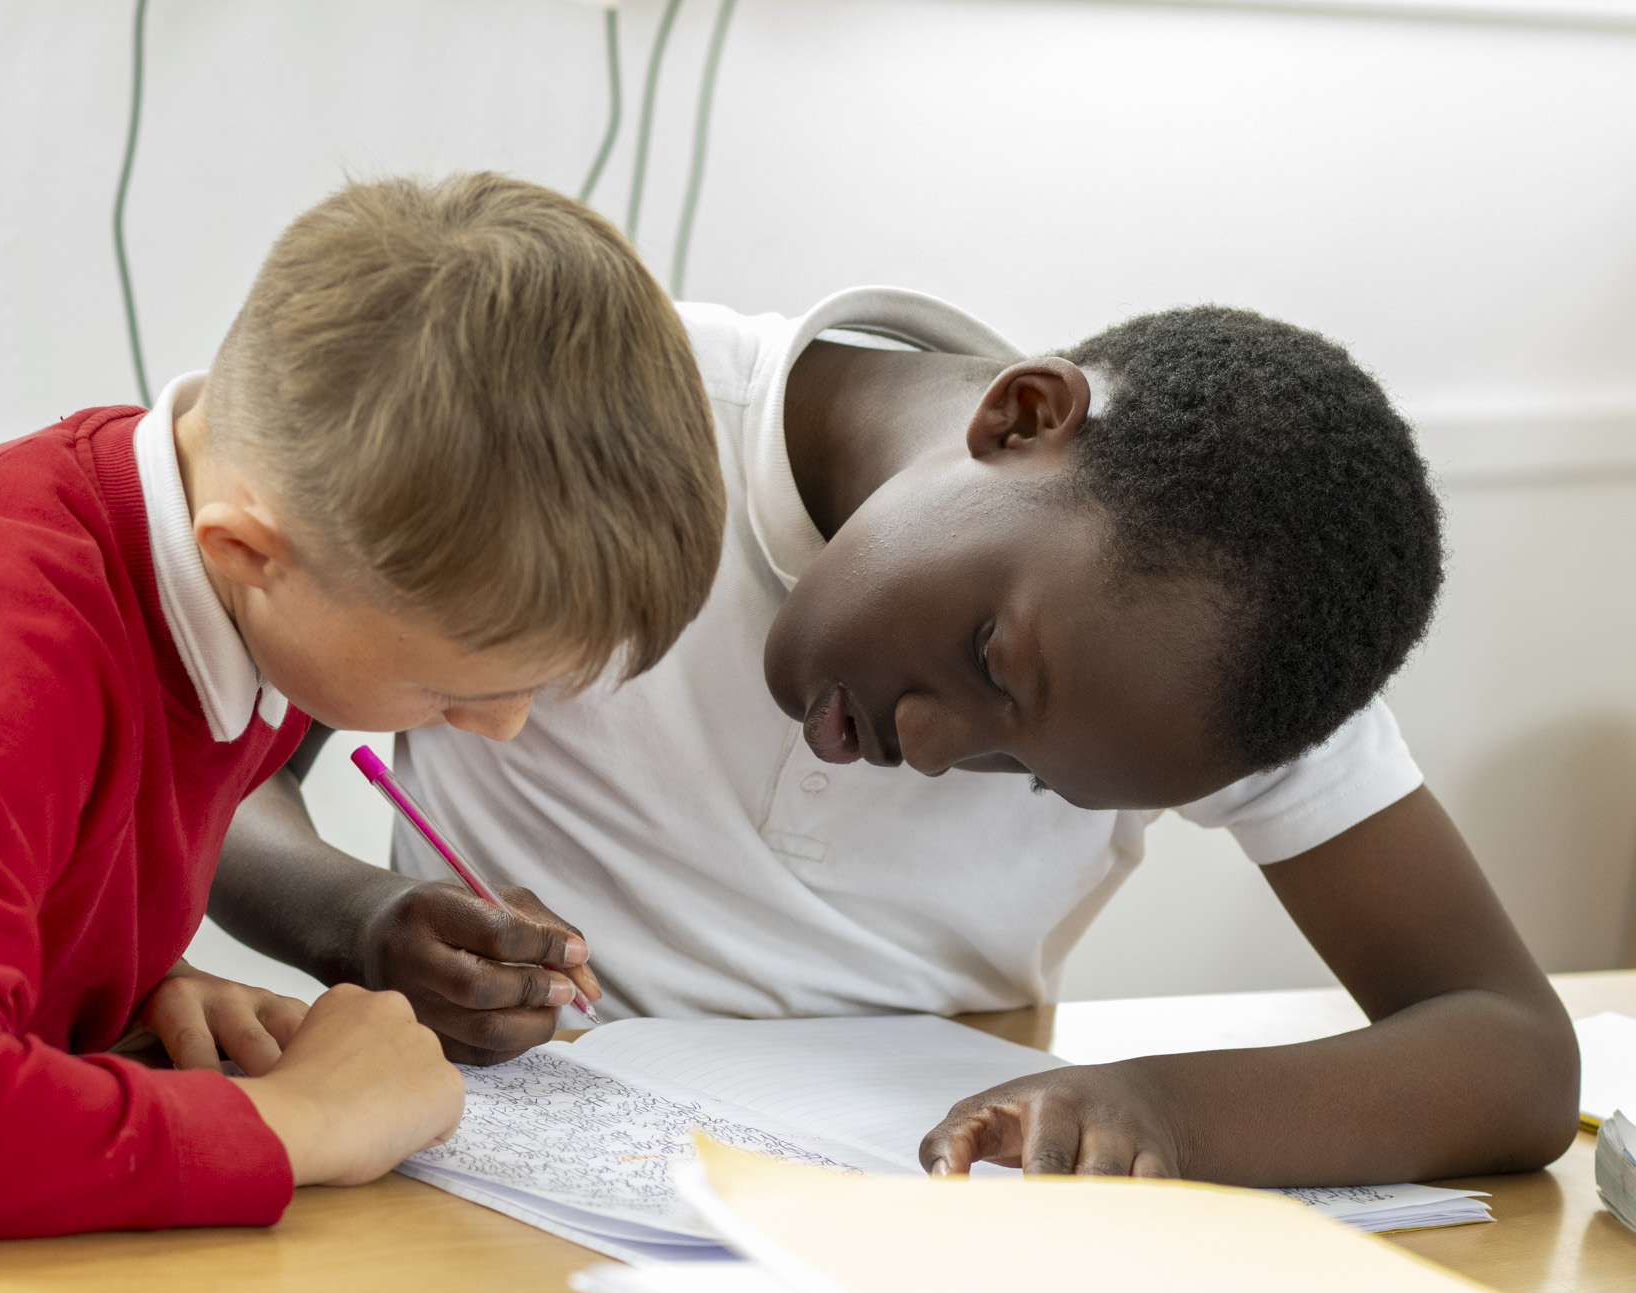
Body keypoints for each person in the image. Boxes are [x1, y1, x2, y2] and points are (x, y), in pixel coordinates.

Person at [0, 172, 720, 1293]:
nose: (497, 727)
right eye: (454, 688)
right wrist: (309, 1120)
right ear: (249, 550)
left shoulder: (242, 583)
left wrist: (131, 984)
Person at [209, 285, 1579, 1187]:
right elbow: (198, 769)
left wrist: (1170, 1112)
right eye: (991, 655)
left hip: (900, 1222)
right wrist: (367, 916)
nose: (932, 744)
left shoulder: (1230, 656)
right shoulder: (596, 426)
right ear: (1021, 418)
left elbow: (1511, 1052)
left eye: (1023, 772)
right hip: (494, 1178)